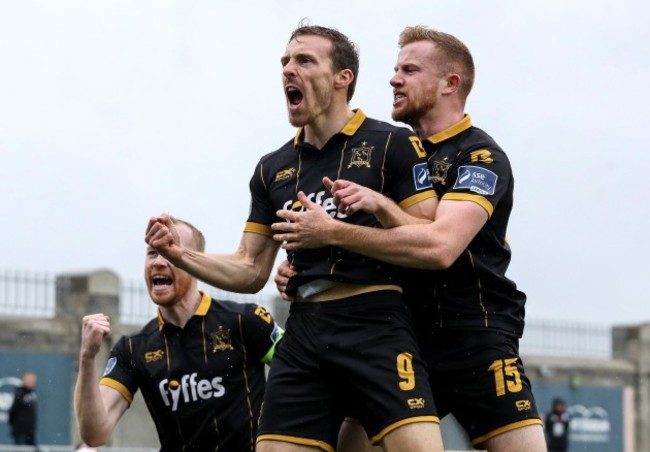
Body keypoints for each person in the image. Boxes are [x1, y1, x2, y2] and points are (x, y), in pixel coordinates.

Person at [145, 23, 444, 452]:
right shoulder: (272, 168)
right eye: (285, 61)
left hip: (376, 323)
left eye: (304, 60)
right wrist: (179, 254)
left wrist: (346, 224)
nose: (289, 69)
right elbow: (250, 269)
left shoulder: (391, 143)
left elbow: (430, 242)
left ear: (344, 78)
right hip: (304, 333)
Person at [272, 25, 547, 451]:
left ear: (449, 84)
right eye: (395, 68)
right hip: (400, 334)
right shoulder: (390, 151)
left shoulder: (479, 156)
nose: (393, 79)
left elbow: (440, 247)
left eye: (409, 70)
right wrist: (307, 267)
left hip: (474, 337)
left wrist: (356, 220)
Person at [74, 217, 283, 451]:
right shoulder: (132, 350)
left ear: (195, 263)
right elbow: (95, 434)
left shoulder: (245, 320)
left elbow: (306, 366)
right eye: (152, 253)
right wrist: (87, 358)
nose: (159, 262)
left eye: (169, 252)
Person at [8, 371, 38, 448]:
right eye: (30, 381)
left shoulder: (32, 393)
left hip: (30, 432)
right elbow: (12, 411)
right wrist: (15, 427)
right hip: (20, 432)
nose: (32, 383)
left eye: (33, 381)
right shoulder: (19, 393)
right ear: (24, 381)